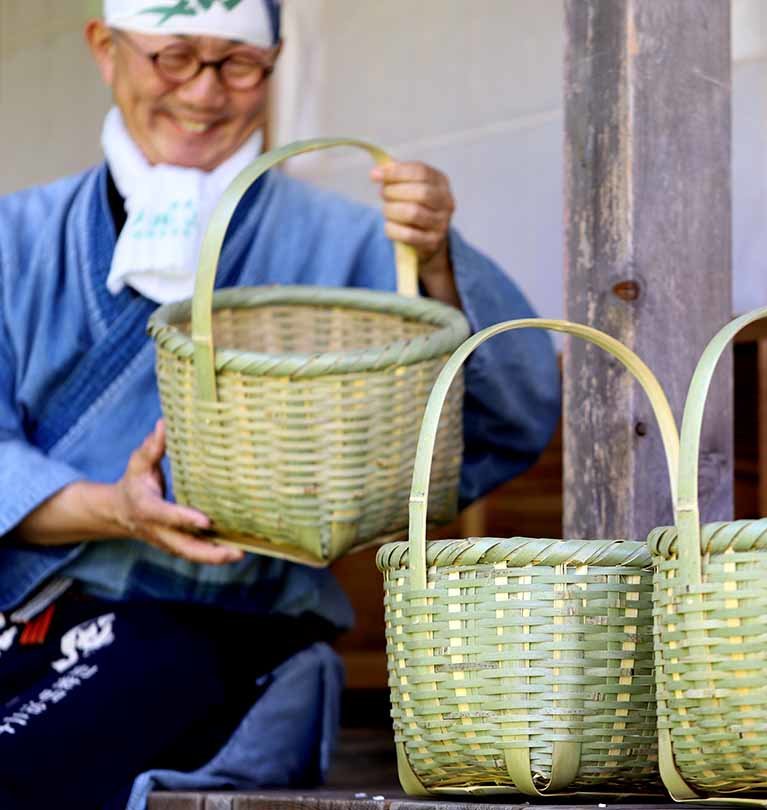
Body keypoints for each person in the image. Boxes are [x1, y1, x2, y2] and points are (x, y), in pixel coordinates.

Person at [0, 1, 560, 808]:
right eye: (174, 57)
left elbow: (502, 421)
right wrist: (114, 508)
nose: (202, 92)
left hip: (234, 634)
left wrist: (436, 260)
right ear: (104, 48)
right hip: (38, 624)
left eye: (236, 64)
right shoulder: (17, 240)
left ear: (275, 64)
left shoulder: (350, 244)